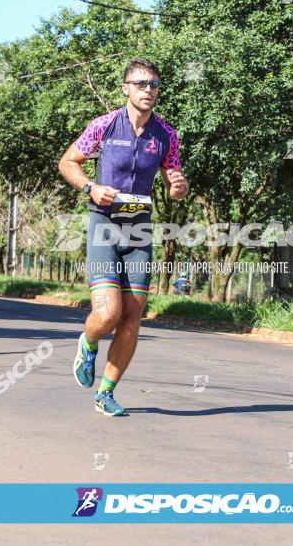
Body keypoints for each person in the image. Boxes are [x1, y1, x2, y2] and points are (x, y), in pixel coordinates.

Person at [58, 57, 188, 417]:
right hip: (104, 225)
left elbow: (174, 184)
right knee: (108, 313)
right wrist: (89, 187)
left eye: (154, 85)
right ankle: (88, 342)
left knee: (132, 316)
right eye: (142, 84)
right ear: (126, 88)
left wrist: (178, 185)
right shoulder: (103, 125)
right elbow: (68, 161)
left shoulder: (166, 135)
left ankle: (106, 393)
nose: (149, 90)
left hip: (139, 230)